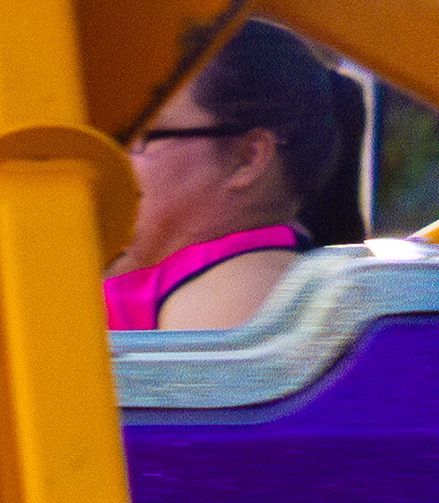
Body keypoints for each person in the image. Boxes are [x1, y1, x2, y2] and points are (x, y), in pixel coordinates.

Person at [104, 18, 368, 332]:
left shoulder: (241, 284)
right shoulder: (178, 271)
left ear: (247, 158)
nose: (113, 155)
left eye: (141, 133)